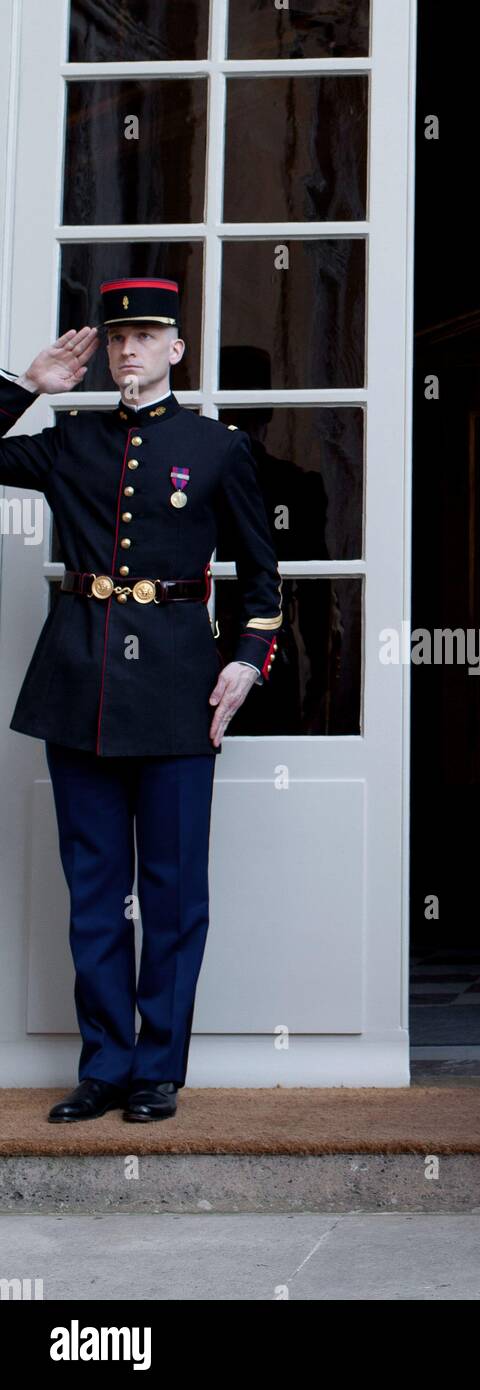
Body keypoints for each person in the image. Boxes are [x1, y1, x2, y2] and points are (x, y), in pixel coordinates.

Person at [0, 277, 282, 1123]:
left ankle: (158, 1068)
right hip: (77, 684)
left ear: (175, 350)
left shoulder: (218, 447)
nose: (128, 350)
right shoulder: (69, 440)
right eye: (116, 337)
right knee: (92, 893)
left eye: (146, 335)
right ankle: (103, 1067)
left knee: (171, 894)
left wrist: (246, 660)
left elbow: (265, 576)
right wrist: (26, 386)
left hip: (176, 692)